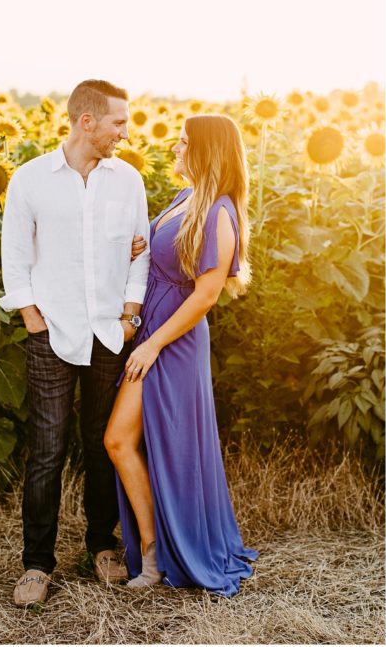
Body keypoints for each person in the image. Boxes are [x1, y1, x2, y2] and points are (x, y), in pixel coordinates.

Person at [0, 79, 150, 607]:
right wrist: (30, 316)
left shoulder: (127, 179)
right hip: (52, 332)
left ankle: (101, 546)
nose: (124, 132)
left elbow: (141, 252)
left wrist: (131, 313)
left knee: (101, 445)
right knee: (46, 450)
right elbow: (15, 254)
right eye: (118, 122)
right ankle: (37, 563)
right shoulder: (31, 179)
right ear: (87, 122)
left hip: (111, 333)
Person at [104, 114, 257, 597]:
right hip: (151, 331)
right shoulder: (185, 198)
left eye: (184, 142)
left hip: (172, 342)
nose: (174, 147)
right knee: (125, 442)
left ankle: (158, 560)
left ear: (207, 150)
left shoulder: (221, 213)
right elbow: (165, 256)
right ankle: (153, 553)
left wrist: (152, 344)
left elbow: (206, 295)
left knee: (136, 442)